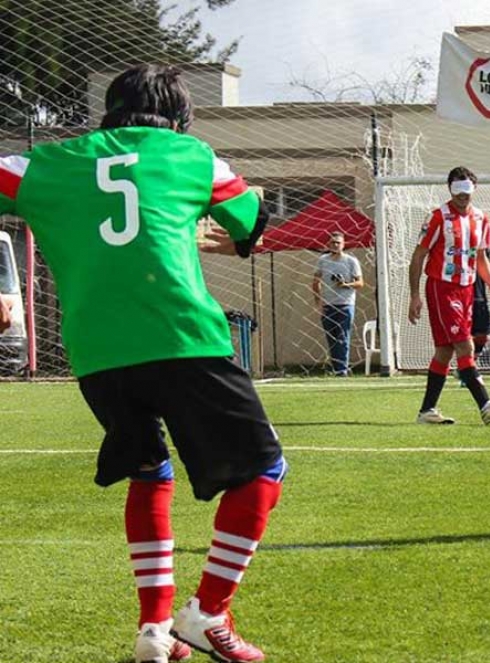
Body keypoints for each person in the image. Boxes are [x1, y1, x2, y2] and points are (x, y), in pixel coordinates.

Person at [0, 64, 285, 663]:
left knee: (149, 471)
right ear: (180, 117)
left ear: (109, 111)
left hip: (97, 353)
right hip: (183, 338)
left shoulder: (48, 163)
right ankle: (207, 612)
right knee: (264, 470)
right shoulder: (193, 155)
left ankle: (155, 632)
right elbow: (252, 221)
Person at [408, 166, 490, 425]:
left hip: (466, 288)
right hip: (442, 287)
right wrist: (414, 295)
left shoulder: (481, 218)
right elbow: (419, 255)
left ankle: (427, 411)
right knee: (465, 345)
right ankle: (486, 405)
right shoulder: (437, 218)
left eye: (467, 191)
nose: (462, 196)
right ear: (449, 190)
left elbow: (481, 258)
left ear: (474, 191)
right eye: (458, 191)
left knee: (444, 349)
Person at [311, 230, 364, 375]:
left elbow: (360, 283)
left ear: (343, 244)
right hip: (328, 305)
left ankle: (342, 370)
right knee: (331, 338)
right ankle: (336, 369)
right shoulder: (323, 260)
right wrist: (319, 302)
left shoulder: (351, 261)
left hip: (345, 304)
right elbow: (316, 281)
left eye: (338, 243)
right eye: (332, 242)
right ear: (328, 244)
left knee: (343, 337)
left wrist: (345, 284)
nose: (335, 245)